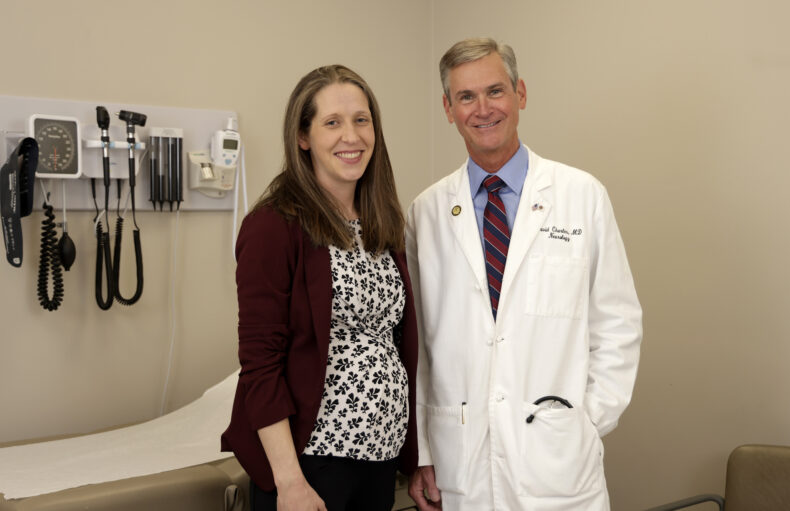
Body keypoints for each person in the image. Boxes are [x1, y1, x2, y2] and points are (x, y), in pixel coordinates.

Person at [405, 38, 642, 510]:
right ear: (448, 109)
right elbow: (420, 346)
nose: (483, 109)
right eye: (466, 97)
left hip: (556, 460)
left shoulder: (581, 195)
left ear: (521, 94)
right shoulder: (425, 213)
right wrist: (425, 452)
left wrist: (587, 420)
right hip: (461, 461)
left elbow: (618, 323)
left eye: (495, 91)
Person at [222, 64, 418, 511]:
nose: (351, 136)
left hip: (379, 460)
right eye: (332, 122)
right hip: (312, 466)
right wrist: (289, 480)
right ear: (303, 137)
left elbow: (398, 345)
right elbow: (259, 363)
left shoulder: (383, 226)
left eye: (361, 120)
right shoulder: (274, 226)